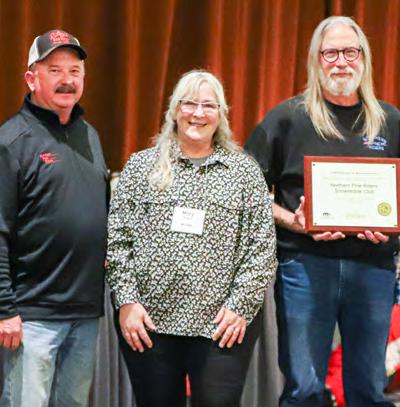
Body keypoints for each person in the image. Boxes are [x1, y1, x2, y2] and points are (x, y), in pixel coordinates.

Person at [245, 16, 400, 406]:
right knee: (304, 387)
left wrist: (393, 216)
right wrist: (293, 221)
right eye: (331, 53)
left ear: (364, 58)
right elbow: (248, 190)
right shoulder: (287, 119)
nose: (341, 61)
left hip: (373, 267)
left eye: (350, 52)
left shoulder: (389, 120)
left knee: (368, 389)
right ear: (316, 59)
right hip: (305, 266)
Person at [106, 70, 277, 406]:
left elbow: (261, 248)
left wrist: (240, 307)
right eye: (189, 104)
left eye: (209, 106)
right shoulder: (140, 167)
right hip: (150, 321)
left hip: (221, 325)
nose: (198, 113)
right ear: (174, 110)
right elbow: (118, 239)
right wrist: (127, 302)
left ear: (221, 114)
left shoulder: (244, 173)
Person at [0, 29, 108, 406]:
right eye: (54, 70)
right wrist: (3, 308)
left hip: (85, 311)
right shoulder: (5, 145)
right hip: (32, 315)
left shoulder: (90, 136)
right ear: (31, 78)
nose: (67, 80)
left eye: (75, 71)